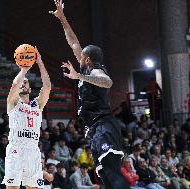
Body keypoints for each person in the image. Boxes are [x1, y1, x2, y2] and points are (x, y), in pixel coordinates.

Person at [50, 1, 129, 189]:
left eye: (82, 55)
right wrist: (62, 19)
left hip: (104, 125)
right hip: (95, 128)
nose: (78, 54)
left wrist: (77, 76)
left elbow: (107, 81)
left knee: (111, 172)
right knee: (105, 177)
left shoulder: (95, 71)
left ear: (87, 59)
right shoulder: (86, 68)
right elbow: (73, 41)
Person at [1, 48, 51, 189]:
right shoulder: (13, 102)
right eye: (21, 82)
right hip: (16, 149)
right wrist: (24, 69)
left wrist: (39, 61)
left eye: (26, 82)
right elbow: (15, 84)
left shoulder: (37, 104)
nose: (22, 83)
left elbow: (47, 86)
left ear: (29, 88)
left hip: (32, 150)